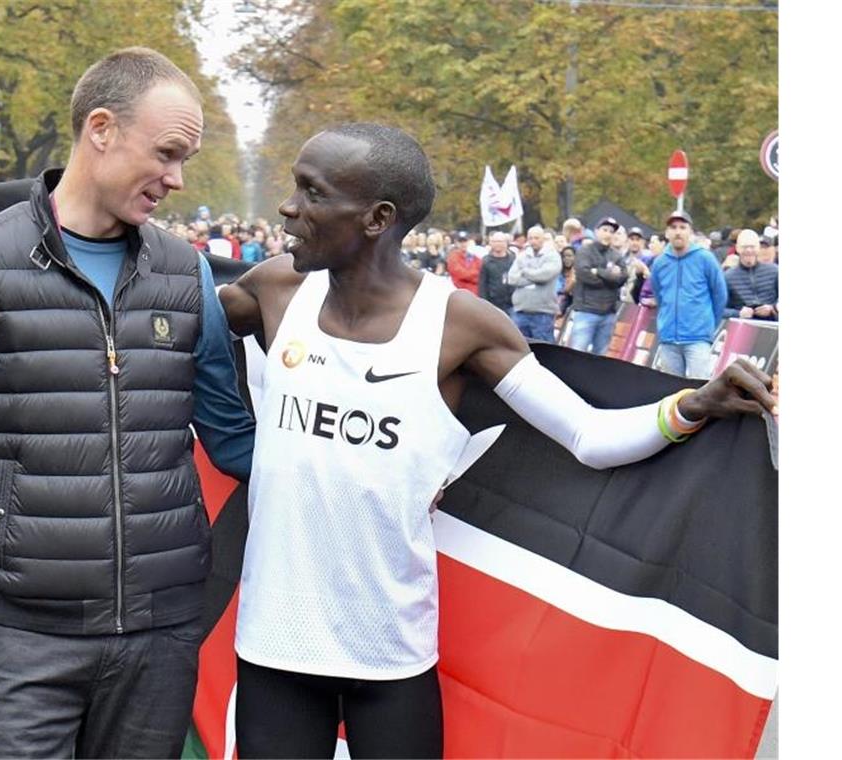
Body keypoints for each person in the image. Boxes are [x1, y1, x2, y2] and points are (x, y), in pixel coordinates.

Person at [211, 123, 774, 758]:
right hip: (273, 641)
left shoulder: (459, 324)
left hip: (391, 651)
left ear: (378, 218)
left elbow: (587, 434)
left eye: (312, 193)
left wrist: (693, 405)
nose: (288, 208)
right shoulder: (275, 289)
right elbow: (170, 325)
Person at [0, 47, 255, 759]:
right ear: (100, 129)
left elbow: (237, 444)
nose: (177, 179)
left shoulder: (186, 276)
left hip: (163, 637)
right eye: (167, 153)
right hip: (26, 639)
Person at [649, 210, 728, 379]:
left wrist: (708, 324)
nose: (678, 231)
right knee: (670, 391)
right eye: (673, 227)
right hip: (668, 338)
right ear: (667, 232)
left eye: (682, 227)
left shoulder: (705, 259)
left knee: (699, 389)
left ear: (690, 231)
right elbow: (659, 295)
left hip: (698, 338)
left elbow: (720, 295)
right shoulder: (659, 262)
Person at [569, 217, 626, 355]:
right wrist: (609, 278)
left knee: (601, 356)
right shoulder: (584, 251)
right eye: (605, 230)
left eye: (611, 231)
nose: (608, 234)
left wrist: (598, 272)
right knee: (577, 353)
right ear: (596, 231)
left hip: (608, 313)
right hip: (586, 311)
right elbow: (584, 275)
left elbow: (622, 278)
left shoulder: (616, 255)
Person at [506, 225, 562, 342]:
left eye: (536, 238)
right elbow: (512, 279)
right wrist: (534, 277)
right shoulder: (522, 256)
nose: (533, 241)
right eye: (530, 238)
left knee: (544, 348)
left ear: (543, 239)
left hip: (543, 312)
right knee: (520, 347)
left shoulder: (553, 256)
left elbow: (544, 276)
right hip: (521, 311)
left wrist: (524, 271)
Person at [723, 229, 778, 321]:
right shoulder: (727, 277)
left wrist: (773, 308)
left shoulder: (775, 271)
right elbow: (719, 309)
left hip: (773, 327)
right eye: (744, 247)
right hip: (743, 328)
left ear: (758, 248)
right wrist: (738, 313)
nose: (748, 250)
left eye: (752, 246)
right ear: (737, 248)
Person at [477, 231, 515, 317]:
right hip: (492, 303)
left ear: (506, 243)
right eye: (495, 241)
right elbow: (482, 284)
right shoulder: (486, 261)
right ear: (491, 243)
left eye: (500, 241)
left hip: (511, 304)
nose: (498, 244)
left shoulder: (513, 260)